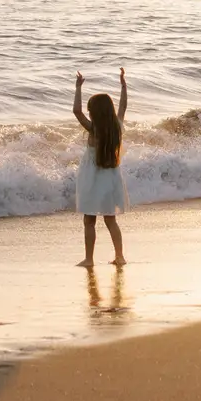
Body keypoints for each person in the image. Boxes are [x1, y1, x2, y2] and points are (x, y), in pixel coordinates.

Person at [73, 68, 128, 269]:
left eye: (90, 110)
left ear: (95, 113)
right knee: (110, 220)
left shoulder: (94, 129)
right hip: (111, 180)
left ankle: (89, 259)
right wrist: (123, 85)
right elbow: (123, 106)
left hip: (92, 179)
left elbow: (76, 111)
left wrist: (78, 87)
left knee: (89, 220)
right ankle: (120, 256)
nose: (88, 112)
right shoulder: (117, 128)